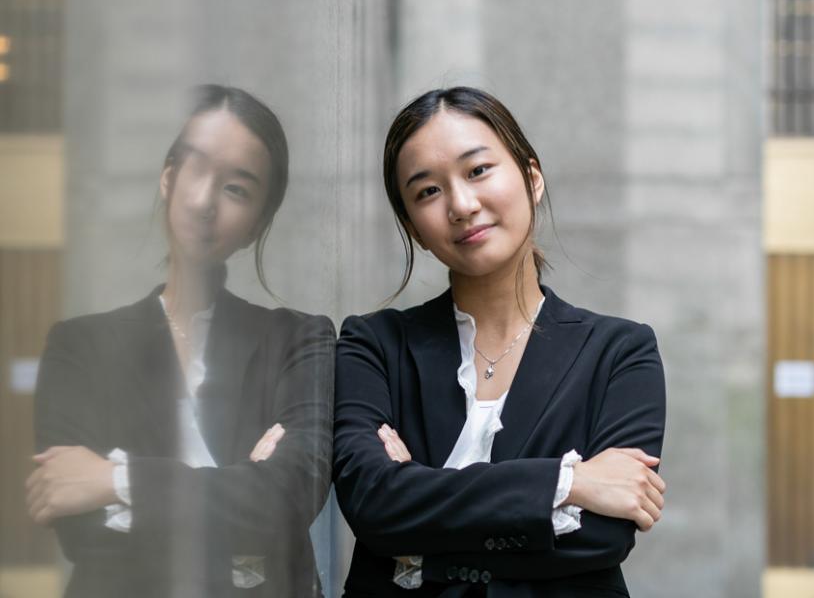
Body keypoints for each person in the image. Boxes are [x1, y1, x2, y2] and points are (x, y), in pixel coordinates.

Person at [333, 86, 667, 597]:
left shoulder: (619, 352)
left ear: (532, 178)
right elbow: (374, 506)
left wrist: (417, 511)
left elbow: (601, 537)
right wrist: (567, 484)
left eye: (478, 171)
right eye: (427, 192)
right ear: (413, 228)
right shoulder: (373, 345)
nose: (462, 205)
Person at [26, 84, 334, 598]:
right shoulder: (79, 346)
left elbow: (286, 499)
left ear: (257, 224)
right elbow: (84, 535)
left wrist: (117, 481)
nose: (204, 200)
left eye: (237, 189)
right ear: (169, 177)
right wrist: (239, 489)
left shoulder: (298, 340)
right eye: (195, 168)